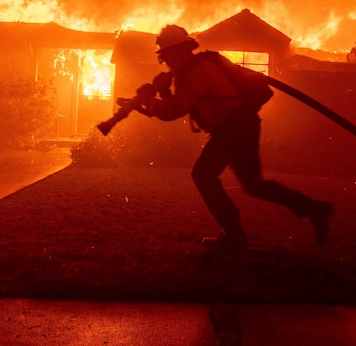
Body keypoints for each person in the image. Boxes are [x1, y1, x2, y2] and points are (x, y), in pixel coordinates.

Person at [136, 24, 333, 253]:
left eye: (170, 54)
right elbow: (180, 103)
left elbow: (174, 110)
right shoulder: (189, 71)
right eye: (165, 56)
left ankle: (234, 235)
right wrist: (163, 92)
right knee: (254, 186)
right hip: (239, 127)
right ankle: (314, 209)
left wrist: (149, 101)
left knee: (203, 175)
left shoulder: (199, 72)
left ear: (182, 50)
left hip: (234, 129)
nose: (168, 60)